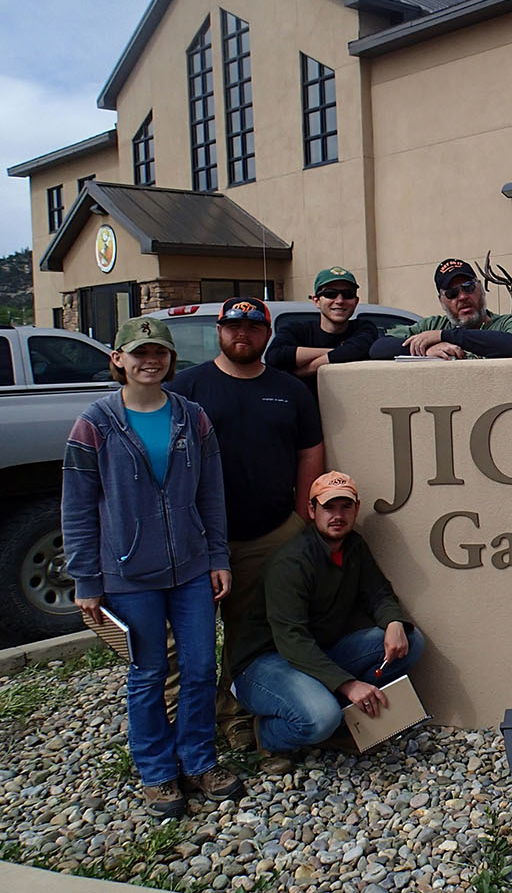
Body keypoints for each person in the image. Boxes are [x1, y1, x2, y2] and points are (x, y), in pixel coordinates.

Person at [63, 316, 244, 817]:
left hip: (189, 569)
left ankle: (199, 761)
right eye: (139, 352)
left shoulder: (192, 418)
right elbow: (77, 507)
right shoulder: (94, 425)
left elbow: (212, 494)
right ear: (118, 359)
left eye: (159, 352)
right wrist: (87, 580)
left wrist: (217, 556)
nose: (150, 360)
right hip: (127, 575)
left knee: (201, 668)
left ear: (170, 360)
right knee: (147, 673)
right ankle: (157, 773)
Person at [170, 297, 324, 748]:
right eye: (234, 325)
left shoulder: (289, 389)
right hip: (199, 538)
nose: (244, 334)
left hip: (268, 533)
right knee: (192, 640)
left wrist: (299, 517)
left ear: (267, 334)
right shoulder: (187, 387)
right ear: (219, 330)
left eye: (254, 327)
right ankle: (189, 731)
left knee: (251, 633)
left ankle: (236, 713)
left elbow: (310, 452)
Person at [227, 471, 425, 770]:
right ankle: (269, 736)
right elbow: (291, 640)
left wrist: (394, 622)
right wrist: (348, 684)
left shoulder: (353, 547)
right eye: (328, 507)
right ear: (311, 510)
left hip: (317, 654)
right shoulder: (291, 562)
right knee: (322, 716)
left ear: (356, 509)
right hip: (266, 663)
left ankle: (344, 725)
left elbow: (378, 592)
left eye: (345, 507)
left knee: (410, 641)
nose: (337, 515)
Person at [369, 259, 512, 359]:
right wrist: (426, 350)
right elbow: (378, 347)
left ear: (481, 290)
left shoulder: (510, 323)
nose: (462, 297)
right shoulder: (430, 327)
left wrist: (445, 336)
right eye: (452, 293)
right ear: (441, 301)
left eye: (468, 287)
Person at [265, 267, 378, 394]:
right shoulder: (296, 330)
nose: (340, 301)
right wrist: (341, 352)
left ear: (356, 301)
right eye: (330, 294)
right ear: (316, 301)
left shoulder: (364, 327)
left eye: (347, 294)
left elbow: (359, 349)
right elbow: (275, 356)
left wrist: (304, 371)